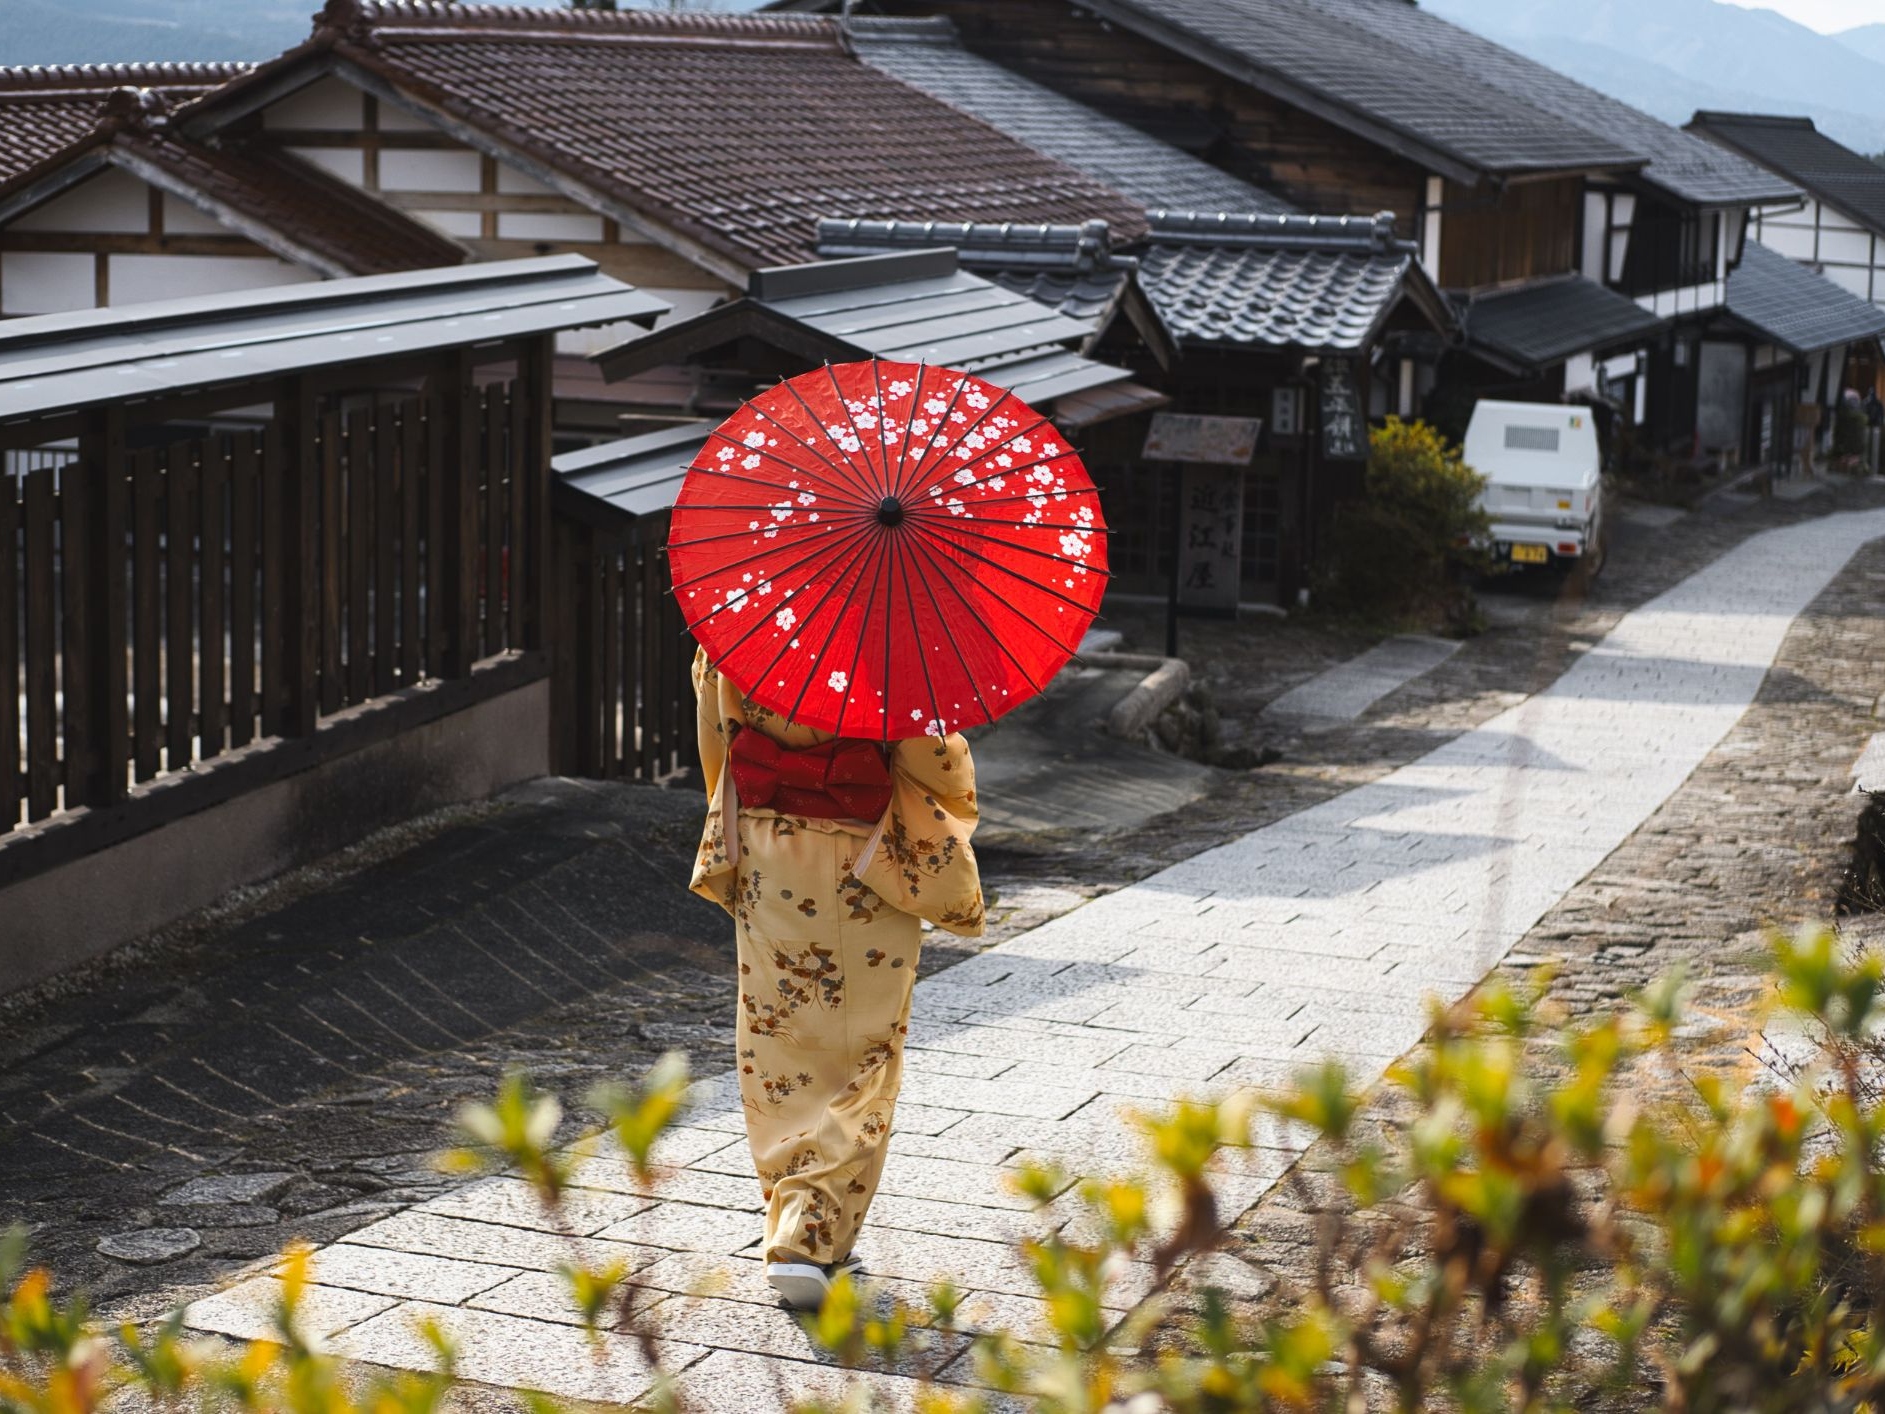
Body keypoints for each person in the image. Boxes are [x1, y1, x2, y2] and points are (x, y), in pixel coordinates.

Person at [689, 649, 985, 1310]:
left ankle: (790, 1215)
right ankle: (810, 1236)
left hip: (767, 853)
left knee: (778, 1044)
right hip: (861, 858)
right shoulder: (888, 640)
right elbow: (935, 759)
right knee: (863, 1055)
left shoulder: (735, 628)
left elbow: (716, 741)